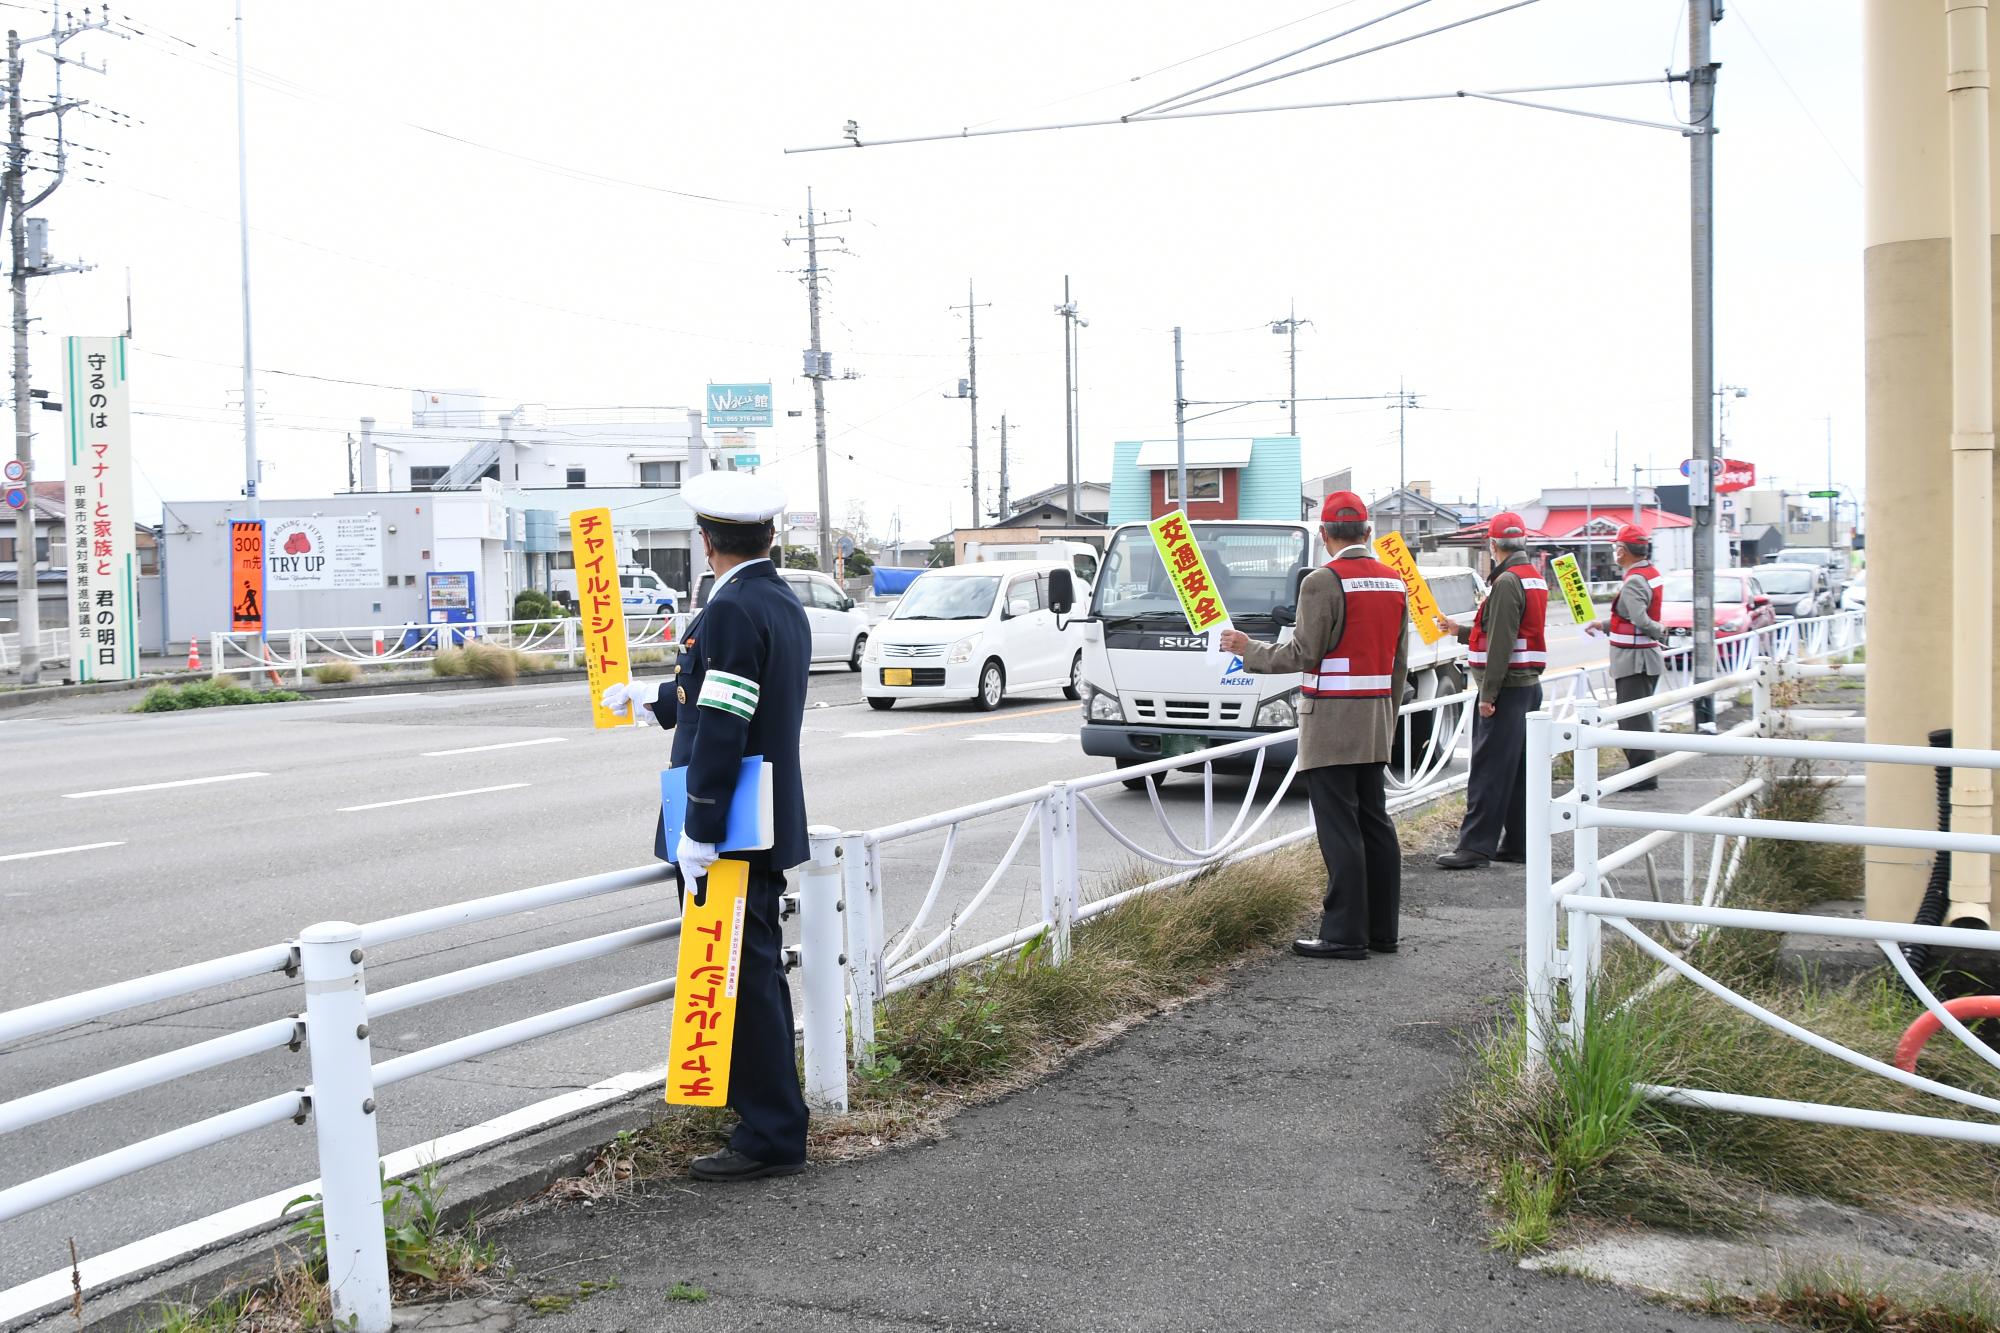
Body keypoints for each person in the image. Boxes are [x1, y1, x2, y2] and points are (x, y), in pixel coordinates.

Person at [600, 471, 812, 1181]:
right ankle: (771, 1118)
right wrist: (654, 699)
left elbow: (725, 721)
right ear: (768, 537)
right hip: (762, 815)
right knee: (754, 970)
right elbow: (718, 686)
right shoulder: (777, 598)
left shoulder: (730, 607)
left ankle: (771, 1133)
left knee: (743, 976)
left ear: (707, 541)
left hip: (733, 824)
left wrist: (701, 825)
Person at [1219, 492, 1409, 960]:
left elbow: (1303, 654)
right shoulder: (1393, 582)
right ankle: (1382, 931)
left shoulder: (1323, 582)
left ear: (1324, 535)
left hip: (1330, 720)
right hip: (1376, 716)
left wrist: (1247, 647)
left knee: (1339, 827)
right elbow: (1399, 664)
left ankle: (1345, 934)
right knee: (1375, 823)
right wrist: (1389, 713)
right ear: (1368, 532)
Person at [1435, 511, 1548, 870]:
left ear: (1493, 544)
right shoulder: (1533, 579)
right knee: (1518, 771)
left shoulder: (1506, 582)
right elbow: (1502, 632)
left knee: (1488, 770)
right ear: (1523, 542)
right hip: (1527, 686)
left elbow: (1500, 641)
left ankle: (1475, 847)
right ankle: (1518, 842)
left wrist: (1487, 695)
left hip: (1505, 689)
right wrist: (1459, 630)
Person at [1584, 525, 1668, 791]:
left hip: (1634, 659)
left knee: (1632, 720)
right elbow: (1630, 618)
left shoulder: (1633, 580)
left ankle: (1642, 775)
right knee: (1639, 717)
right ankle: (1642, 771)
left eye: (1616, 547)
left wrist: (1660, 631)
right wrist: (1604, 625)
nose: (1615, 552)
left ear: (1623, 551)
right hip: (1644, 657)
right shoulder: (1650, 573)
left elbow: (1641, 620)